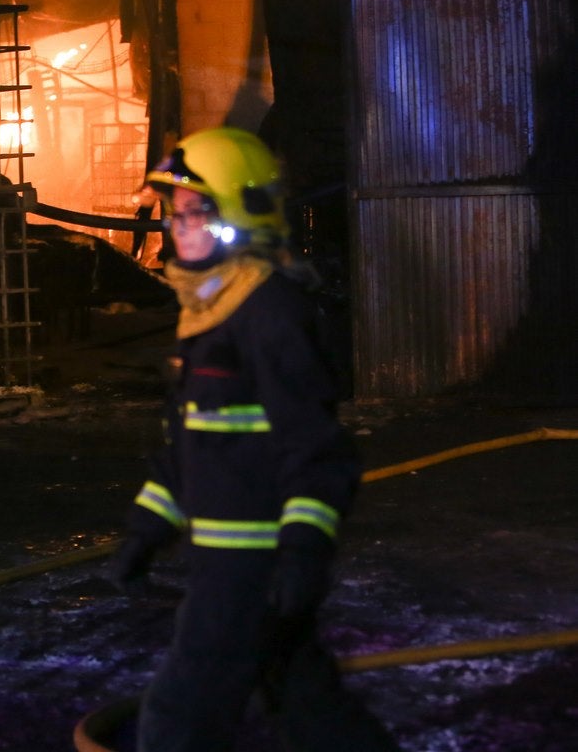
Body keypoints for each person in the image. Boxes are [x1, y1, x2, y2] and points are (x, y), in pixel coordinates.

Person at [108, 126, 400, 752]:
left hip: (252, 563)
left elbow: (316, 450)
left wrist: (300, 552)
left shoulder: (268, 312)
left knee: (181, 712)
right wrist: (148, 527)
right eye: (174, 213)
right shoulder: (207, 309)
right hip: (220, 556)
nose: (179, 227)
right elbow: (192, 442)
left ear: (240, 214)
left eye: (197, 212)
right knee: (303, 696)